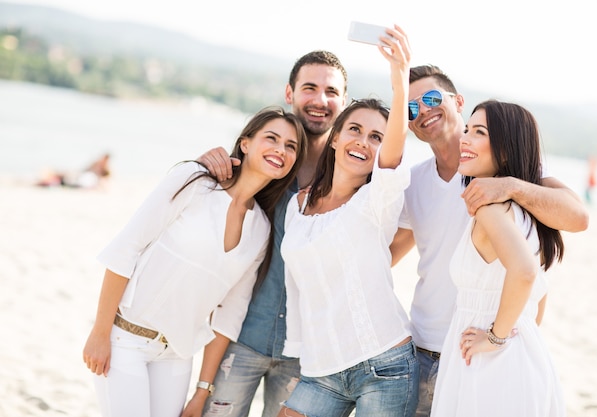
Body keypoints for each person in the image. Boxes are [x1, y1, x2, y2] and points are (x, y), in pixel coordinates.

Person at [389, 65, 589, 416]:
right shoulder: (413, 182)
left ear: (457, 100)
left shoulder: (507, 185)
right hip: (429, 348)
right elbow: (390, 254)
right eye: (411, 108)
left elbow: (575, 220)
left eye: (432, 98)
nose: (423, 111)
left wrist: (500, 335)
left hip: (480, 350)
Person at [82, 106, 307, 417]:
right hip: (125, 340)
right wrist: (99, 332)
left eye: (291, 146)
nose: (280, 150)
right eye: (272, 138)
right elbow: (126, 248)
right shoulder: (194, 181)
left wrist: (203, 390)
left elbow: (230, 314)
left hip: (177, 355)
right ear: (245, 143)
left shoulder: (261, 229)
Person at [196, 50, 348, 417]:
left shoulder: (353, 176)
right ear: (289, 93)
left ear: (344, 103)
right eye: (309, 88)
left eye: (331, 91)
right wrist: (207, 164)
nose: (319, 100)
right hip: (240, 337)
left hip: (307, 352)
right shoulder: (266, 163)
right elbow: (216, 205)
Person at [278, 25, 418, 417]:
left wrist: (400, 79)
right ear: (336, 137)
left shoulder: (377, 200)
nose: (364, 141)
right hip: (321, 369)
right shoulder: (298, 205)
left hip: (385, 365)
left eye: (376, 136)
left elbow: (393, 153)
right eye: (355, 129)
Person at [431, 100, 566, 416]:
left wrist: (495, 338)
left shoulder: (491, 209)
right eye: (467, 129)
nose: (464, 138)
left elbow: (525, 272)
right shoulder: (532, 213)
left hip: (490, 362)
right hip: (525, 351)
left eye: (478, 132)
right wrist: (512, 332)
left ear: (506, 150)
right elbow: (539, 292)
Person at [36, 152, 111, 189]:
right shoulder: (95, 164)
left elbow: (106, 180)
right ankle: (45, 178)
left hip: (82, 180)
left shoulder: (106, 169)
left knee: (62, 179)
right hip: (81, 177)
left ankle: (44, 179)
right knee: (62, 176)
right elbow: (85, 170)